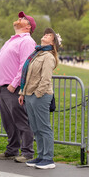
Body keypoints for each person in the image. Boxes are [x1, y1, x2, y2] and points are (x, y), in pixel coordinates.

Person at [0, 11, 36, 163]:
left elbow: (26, 64)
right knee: (8, 122)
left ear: (28, 27)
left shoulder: (27, 41)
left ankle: (28, 152)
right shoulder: (12, 40)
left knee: (21, 121)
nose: (19, 19)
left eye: (23, 19)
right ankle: (12, 149)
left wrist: (14, 84)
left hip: (13, 87)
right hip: (2, 86)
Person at [18, 28, 61, 169]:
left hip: (40, 96)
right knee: (35, 128)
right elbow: (28, 75)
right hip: (29, 95)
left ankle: (48, 159)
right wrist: (23, 93)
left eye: (49, 35)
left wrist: (37, 94)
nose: (45, 35)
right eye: (45, 33)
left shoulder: (48, 56)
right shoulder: (37, 53)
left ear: (53, 42)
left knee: (44, 127)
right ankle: (41, 156)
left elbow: (45, 78)